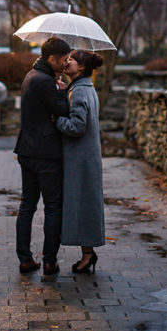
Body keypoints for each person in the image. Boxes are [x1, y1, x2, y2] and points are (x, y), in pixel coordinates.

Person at [14, 36, 71, 275]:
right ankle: (49, 261)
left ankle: (25, 259)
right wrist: (65, 89)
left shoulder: (31, 76)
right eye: (65, 60)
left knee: (27, 205)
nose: (67, 64)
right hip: (45, 154)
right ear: (52, 59)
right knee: (52, 207)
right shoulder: (44, 81)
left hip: (27, 150)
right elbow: (63, 109)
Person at [56, 49, 106, 274]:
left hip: (80, 158)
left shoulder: (79, 92)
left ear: (82, 68)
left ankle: (88, 254)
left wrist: (56, 119)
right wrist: (66, 91)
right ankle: (88, 252)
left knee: (83, 205)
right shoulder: (84, 88)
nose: (67, 63)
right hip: (87, 157)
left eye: (72, 60)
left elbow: (76, 126)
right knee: (87, 204)